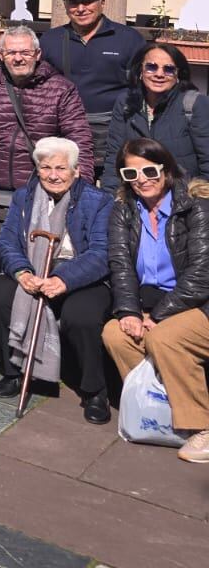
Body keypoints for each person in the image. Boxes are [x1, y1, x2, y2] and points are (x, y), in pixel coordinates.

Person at [0, 137, 113, 423]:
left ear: (76, 170)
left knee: (82, 315)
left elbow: (101, 252)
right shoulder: (24, 197)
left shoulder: (97, 201)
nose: (53, 175)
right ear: (37, 169)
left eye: (61, 168)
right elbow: (7, 242)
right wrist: (22, 272)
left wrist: (63, 278)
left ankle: (95, 390)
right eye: (45, 168)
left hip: (80, 277)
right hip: (34, 270)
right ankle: (14, 370)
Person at [101, 137, 209, 463]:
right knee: (116, 333)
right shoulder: (124, 211)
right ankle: (159, 412)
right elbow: (120, 265)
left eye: (149, 170)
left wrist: (157, 315)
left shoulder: (195, 206)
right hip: (154, 303)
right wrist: (129, 311)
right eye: (131, 174)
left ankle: (201, 426)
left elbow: (202, 273)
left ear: (166, 169)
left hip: (196, 302)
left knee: (165, 336)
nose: (142, 180)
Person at [0, 24, 93, 197]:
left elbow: (79, 141)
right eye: (11, 53)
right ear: (0, 55)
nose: (18, 58)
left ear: (37, 54)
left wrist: (83, 190)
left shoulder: (61, 89)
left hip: (43, 188)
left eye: (25, 52)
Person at [40, 0, 147, 161]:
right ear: (65, 6)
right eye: (74, 3)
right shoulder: (50, 40)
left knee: (113, 184)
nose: (81, 9)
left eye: (88, 1)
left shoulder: (128, 38)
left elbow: (144, 85)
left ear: (102, 3)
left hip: (115, 128)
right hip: (65, 128)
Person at [106, 42, 209, 180]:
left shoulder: (195, 104)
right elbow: (114, 156)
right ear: (140, 71)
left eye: (168, 69)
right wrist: (111, 197)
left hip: (183, 195)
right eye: (151, 67)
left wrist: (200, 198)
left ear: (178, 74)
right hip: (137, 190)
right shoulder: (125, 102)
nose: (159, 74)